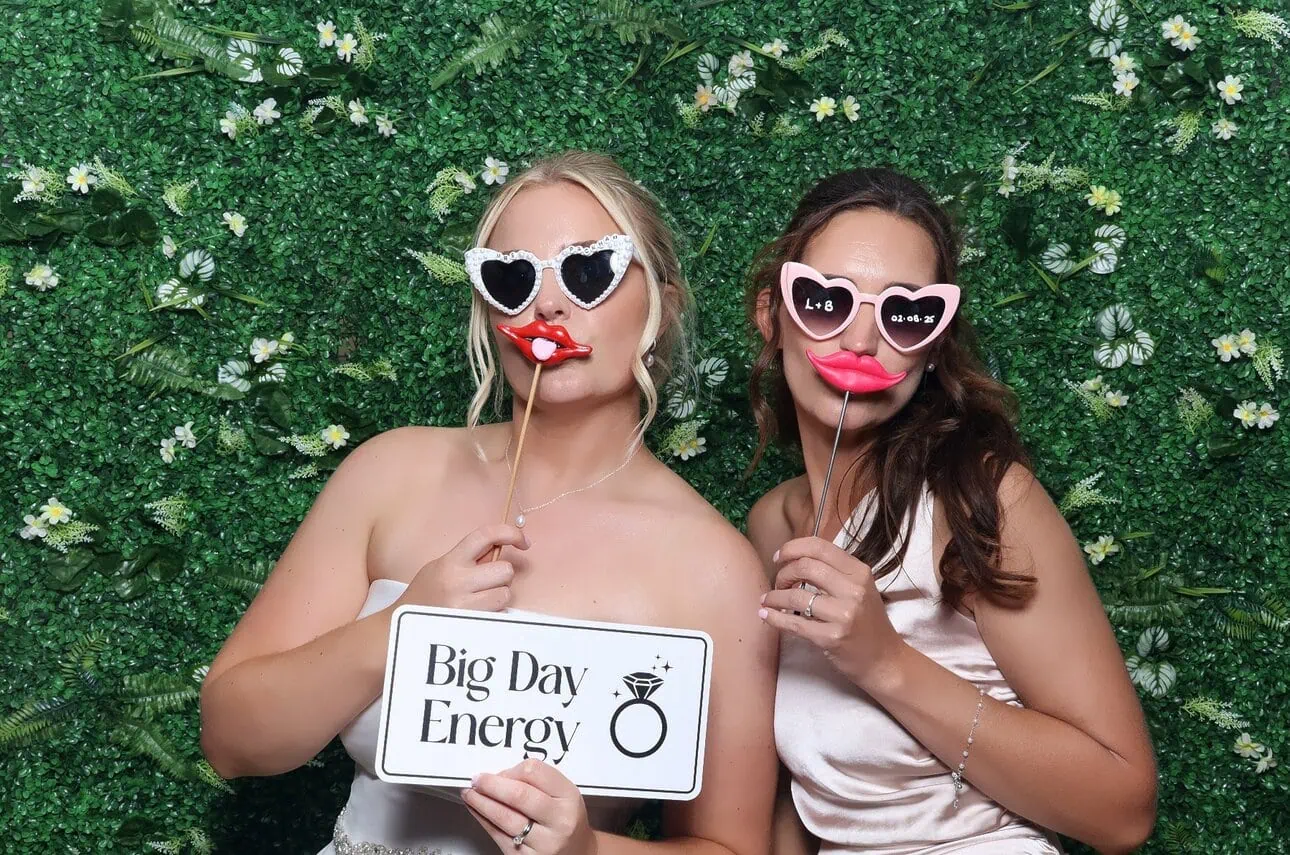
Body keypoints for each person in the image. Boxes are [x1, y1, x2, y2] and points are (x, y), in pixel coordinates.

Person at [199, 150, 778, 855]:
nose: (548, 305)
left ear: (663, 301)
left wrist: (590, 852)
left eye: (588, 271)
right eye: (512, 279)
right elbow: (231, 740)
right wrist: (402, 629)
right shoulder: (390, 473)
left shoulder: (713, 568)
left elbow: (732, 848)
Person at [744, 167, 1158, 855]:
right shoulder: (771, 525)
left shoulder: (983, 499)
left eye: (905, 313)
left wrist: (885, 661)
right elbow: (803, 796)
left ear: (933, 344)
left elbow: (1122, 808)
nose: (860, 341)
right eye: (825, 301)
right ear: (772, 314)